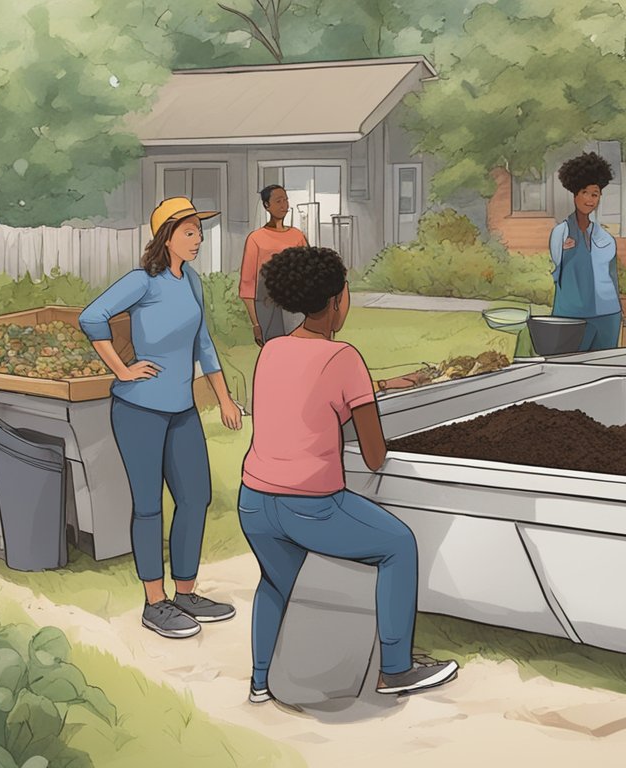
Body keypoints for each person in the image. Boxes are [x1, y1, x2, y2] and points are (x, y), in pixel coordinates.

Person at [237, 245, 459, 703]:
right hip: (312, 506)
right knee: (397, 545)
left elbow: (304, 398)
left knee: (278, 581)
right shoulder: (345, 357)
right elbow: (375, 455)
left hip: (254, 501)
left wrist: (375, 386)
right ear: (338, 300)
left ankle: (261, 680)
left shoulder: (274, 350)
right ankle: (395, 669)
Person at [79, 197, 243, 639]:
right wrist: (122, 369)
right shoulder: (142, 281)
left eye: (199, 232)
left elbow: (203, 342)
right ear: (165, 237)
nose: (198, 240)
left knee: (196, 498)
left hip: (182, 409)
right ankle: (156, 602)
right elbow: (91, 316)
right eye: (189, 232)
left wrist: (224, 399)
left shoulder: (190, 280)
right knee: (149, 506)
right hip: (138, 410)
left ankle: (186, 593)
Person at [549, 152, 621, 351]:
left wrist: (618, 311)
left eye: (595, 194)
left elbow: (613, 277)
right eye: (584, 192)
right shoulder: (560, 233)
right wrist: (567, 252)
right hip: (571, 315)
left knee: (606, 369)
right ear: (575, 194)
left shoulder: (606, 238)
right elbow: (557, 270)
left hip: (608, 316)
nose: (590, 199)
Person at [239, 185, 309, 347]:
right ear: (266, 205)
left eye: (285, 200)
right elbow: (247, 284)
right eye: (278, 201)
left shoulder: (297, 236)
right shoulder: (256, 238)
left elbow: (308, 274)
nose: (284, 205)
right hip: (266, 306)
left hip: (295, 305)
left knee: (299, 350)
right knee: (274, 351)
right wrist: (256, 324)